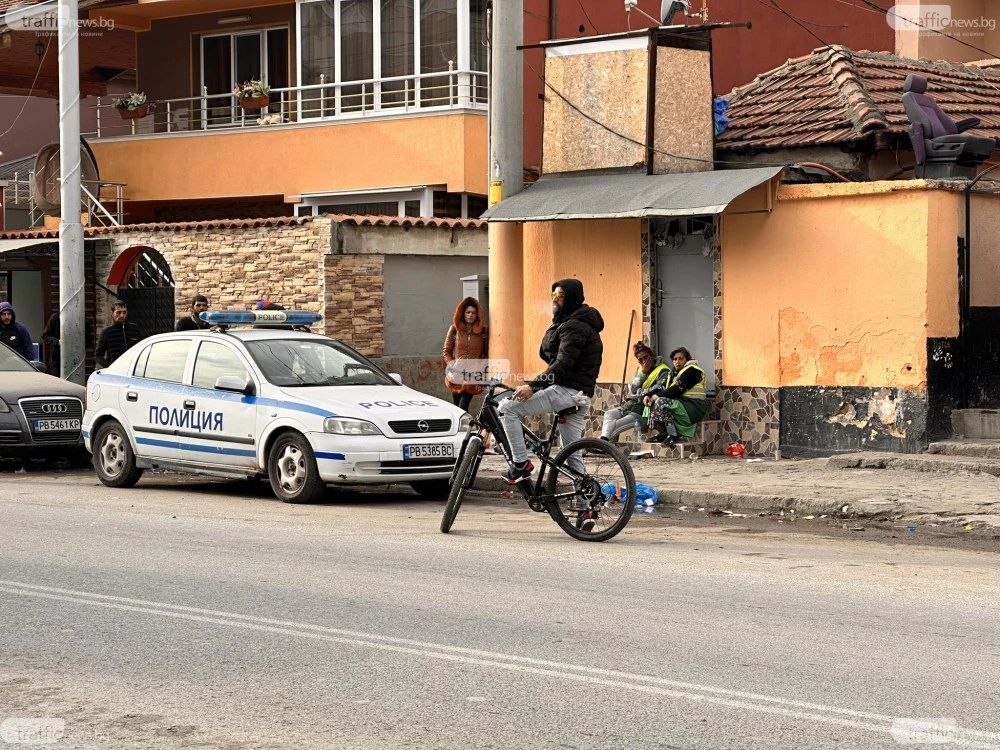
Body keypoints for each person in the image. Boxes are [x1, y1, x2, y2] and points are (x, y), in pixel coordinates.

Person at [497, 278, 604, 484]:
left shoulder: (574, 326)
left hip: (566, 391)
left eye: (560, 296)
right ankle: (586, 503)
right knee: (571, 453)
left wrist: (533, 386)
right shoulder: (574, 322)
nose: (555, 300)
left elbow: (562, 365)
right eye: (553, 295)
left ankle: (520, 464)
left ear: (571, 298)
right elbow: (553, 357)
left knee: (507, 408)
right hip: (580, 395)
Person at [600, 340, 671, 442]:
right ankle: (604, 442)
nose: (643, 361)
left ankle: (602, 444)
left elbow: (657, 389)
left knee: (617, 425)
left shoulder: (663, 370)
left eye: (645, 357)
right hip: (631, 405)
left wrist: (640, 391)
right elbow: (633, 388)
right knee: (609, 415)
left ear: (651, 355)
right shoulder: (640, 370)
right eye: (640, 359)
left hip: (643, 410)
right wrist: (643, 372)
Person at [642, 346, 708, 444]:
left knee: (660, 401)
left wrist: (656, 396)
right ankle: (662, 433)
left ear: (687, 360)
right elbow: (662, 388)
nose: (677, 361)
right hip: (682, 405)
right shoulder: (673, 374)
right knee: (651, 401)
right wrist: (648, 395)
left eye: (681, 358)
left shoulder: (693, 371)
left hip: (694, 408)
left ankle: (673, 434)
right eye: (675, 359)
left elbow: (677, 390)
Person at [443, 297, 488, 412]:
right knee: (457, 409)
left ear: (478, 315)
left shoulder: (483, 331)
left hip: (472, 376)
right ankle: (462, 429)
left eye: (473, 313)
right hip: (456, 375)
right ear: (462, 314)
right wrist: (452, 365)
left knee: (463, 407)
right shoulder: (454, 330)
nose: (470, 315)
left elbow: (487, 353)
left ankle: (465, 428)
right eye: (468, 312)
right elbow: (446, 351)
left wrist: (480, 368)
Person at [95, 301, 143, 367]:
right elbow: (98, 355)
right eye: (118, 312)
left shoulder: (134, 329)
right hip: (115, 372)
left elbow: (141, 349)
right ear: (112, 313)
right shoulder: (106, 332)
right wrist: (109, 367)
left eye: (124, 312)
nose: (122, 315)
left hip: (132, 370)